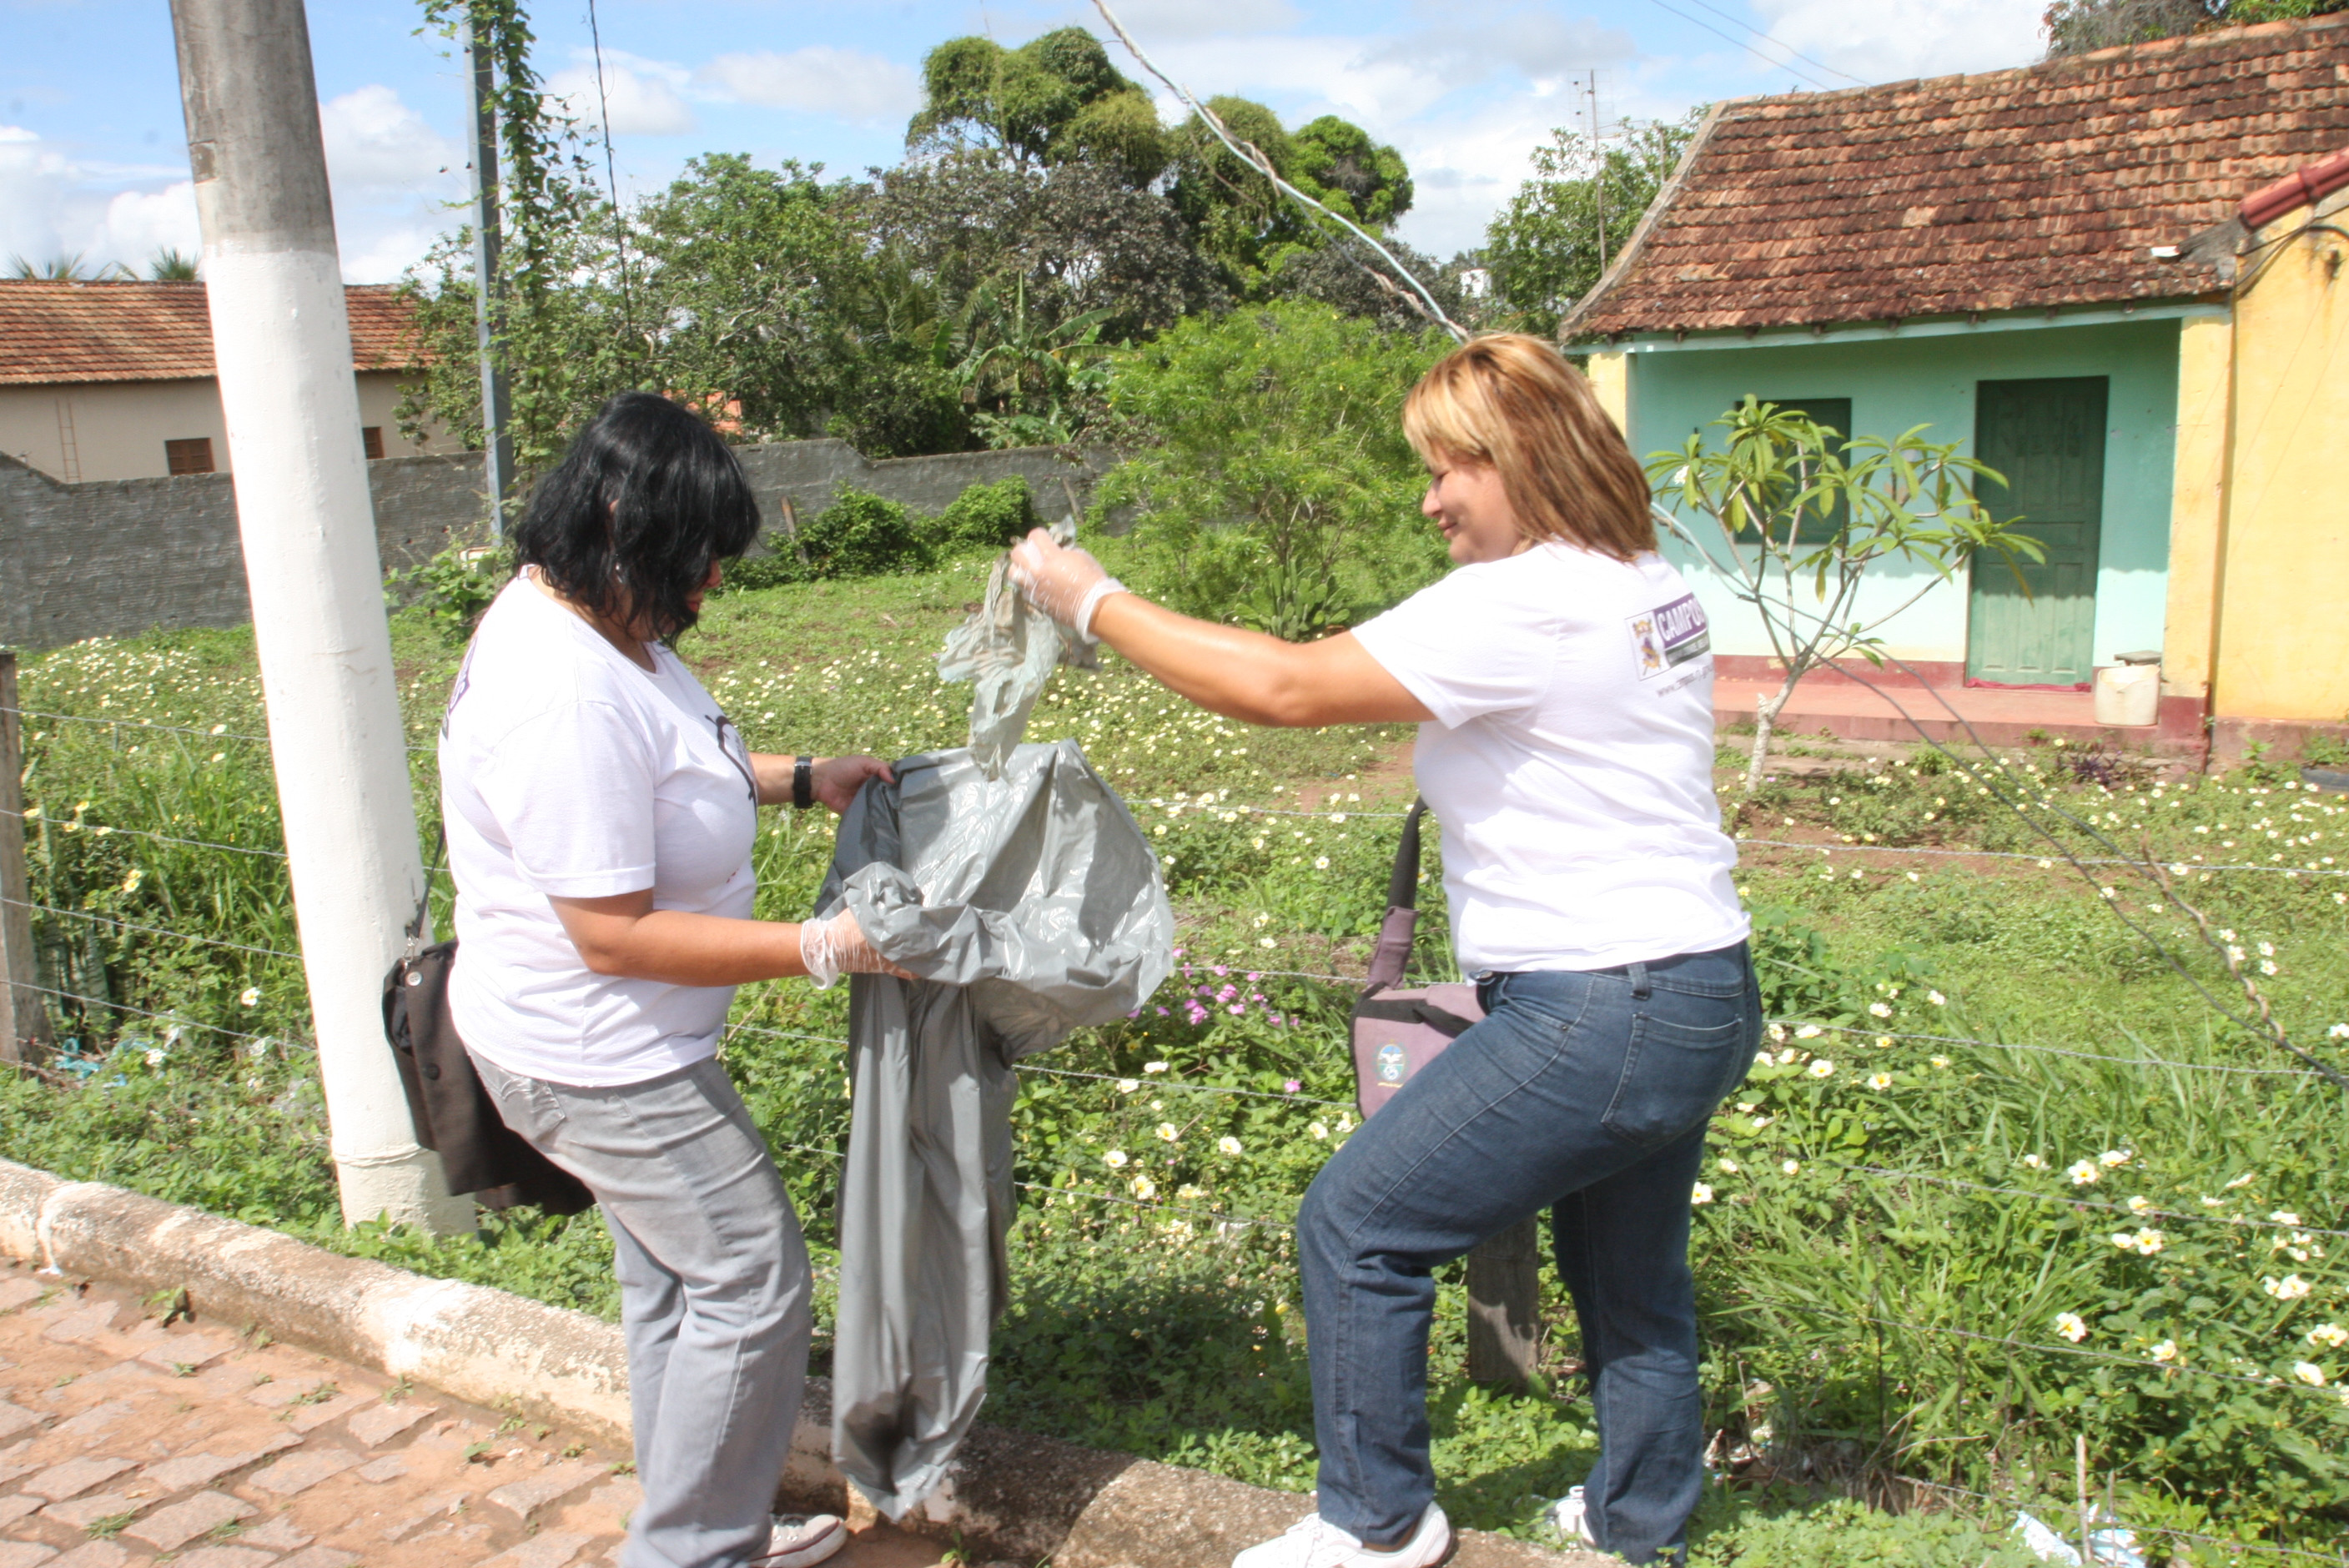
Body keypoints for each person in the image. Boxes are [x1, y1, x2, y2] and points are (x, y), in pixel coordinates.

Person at [1009, 334, 1758, 1568]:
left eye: (1447, 470)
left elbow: (1288, 689)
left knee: (1360, 1224)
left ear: (1518, 458)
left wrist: (1089, 599)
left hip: (1601, 1006)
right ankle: (1642, 1522)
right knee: (1631, 1281)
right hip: (1704, 988)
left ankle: (1376, 1523)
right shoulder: (1642, 580)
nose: (1428, 501)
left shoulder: (1524, 600)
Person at [439, 392, 903, 1568]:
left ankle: (709, 1520)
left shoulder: (605, 627)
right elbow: (615, 935)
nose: (704, 590)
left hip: (620, 1043)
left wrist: (804, 778)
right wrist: (823, 945)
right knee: (750, 1278)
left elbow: (675, 760)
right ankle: (690, 1550)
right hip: (596, 1055)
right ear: (613, 522)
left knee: (675, 1284)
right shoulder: (561, 684)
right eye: (688, 562)